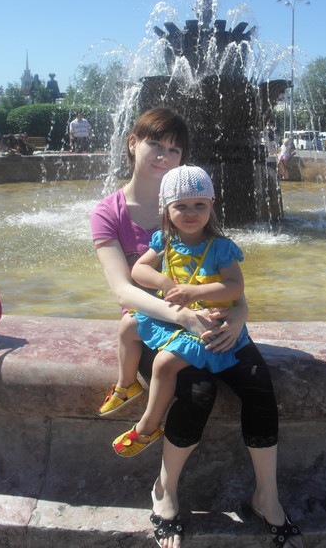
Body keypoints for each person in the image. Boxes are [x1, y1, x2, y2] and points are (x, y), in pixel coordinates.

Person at [90, 107, 303, 548]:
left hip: (214, 323)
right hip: (158, 325)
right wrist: (183, 311)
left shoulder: (207, 225)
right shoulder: (112, 213)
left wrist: (239, 314)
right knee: (197, 390)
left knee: (259, 382)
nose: (164, 155)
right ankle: (165, 490)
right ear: (133, 142)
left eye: (175, 149)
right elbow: (126, 287)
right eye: (156, 144)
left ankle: (267, 495)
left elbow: (233, 286)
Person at [111, 164, 251, 461]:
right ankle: (126, 384)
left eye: (199, 205)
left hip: (206, 324)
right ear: (166, 209)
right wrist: (164, 281)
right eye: (181, 206)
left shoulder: (221, 247)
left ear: (211, 205)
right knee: (127, 326)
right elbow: (138, 270)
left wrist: (196, 293)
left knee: (164, 363)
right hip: (177, 319)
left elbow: (235, 287)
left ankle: (148, 426)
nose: (191, 213)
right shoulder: (165, 240)